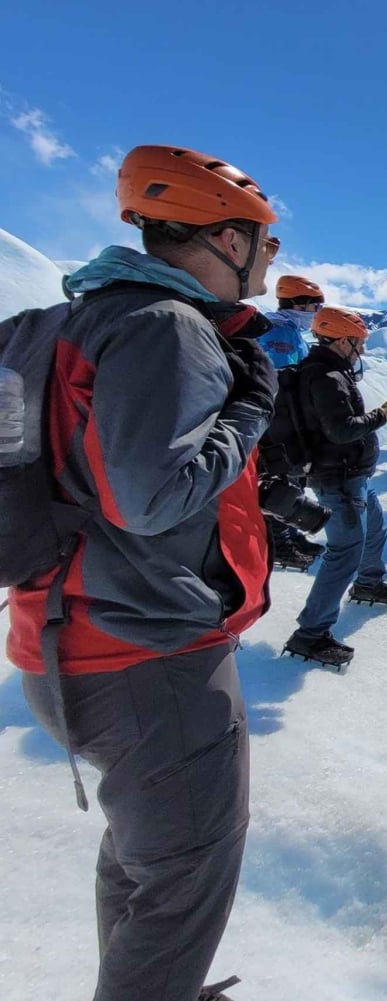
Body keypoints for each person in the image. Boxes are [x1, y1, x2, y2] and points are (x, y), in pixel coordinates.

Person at [5, 144, 278, 1001]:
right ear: (223, 238)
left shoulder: (54, 324)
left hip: (61, 639)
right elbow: (153, 496)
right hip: (147, 655)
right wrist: (248, 408)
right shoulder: (165, 326)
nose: (272, 257)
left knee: (146, 857)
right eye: (264, 240)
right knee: (186, 879)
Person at [283, 307, 387, 668]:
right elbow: (341, 430)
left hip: (352, 475)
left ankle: (369, 582)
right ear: (341, 340)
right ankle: (310, 634)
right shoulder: (327, 377)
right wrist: (382, 415)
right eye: (358, 343)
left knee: (376, 530)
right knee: (344, 552)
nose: (362, 351)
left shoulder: (329, 371)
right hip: (338, 477)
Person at [259, 274, 326, 569]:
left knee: (294, 473)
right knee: (283, 474)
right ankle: (279, 543)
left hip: (288, 413)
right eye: (315, 306)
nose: (317, 312)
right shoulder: (278, 330)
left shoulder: (289, 329)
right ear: (299, 303)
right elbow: (281, 378)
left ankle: (288, 534)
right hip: (280, 415)